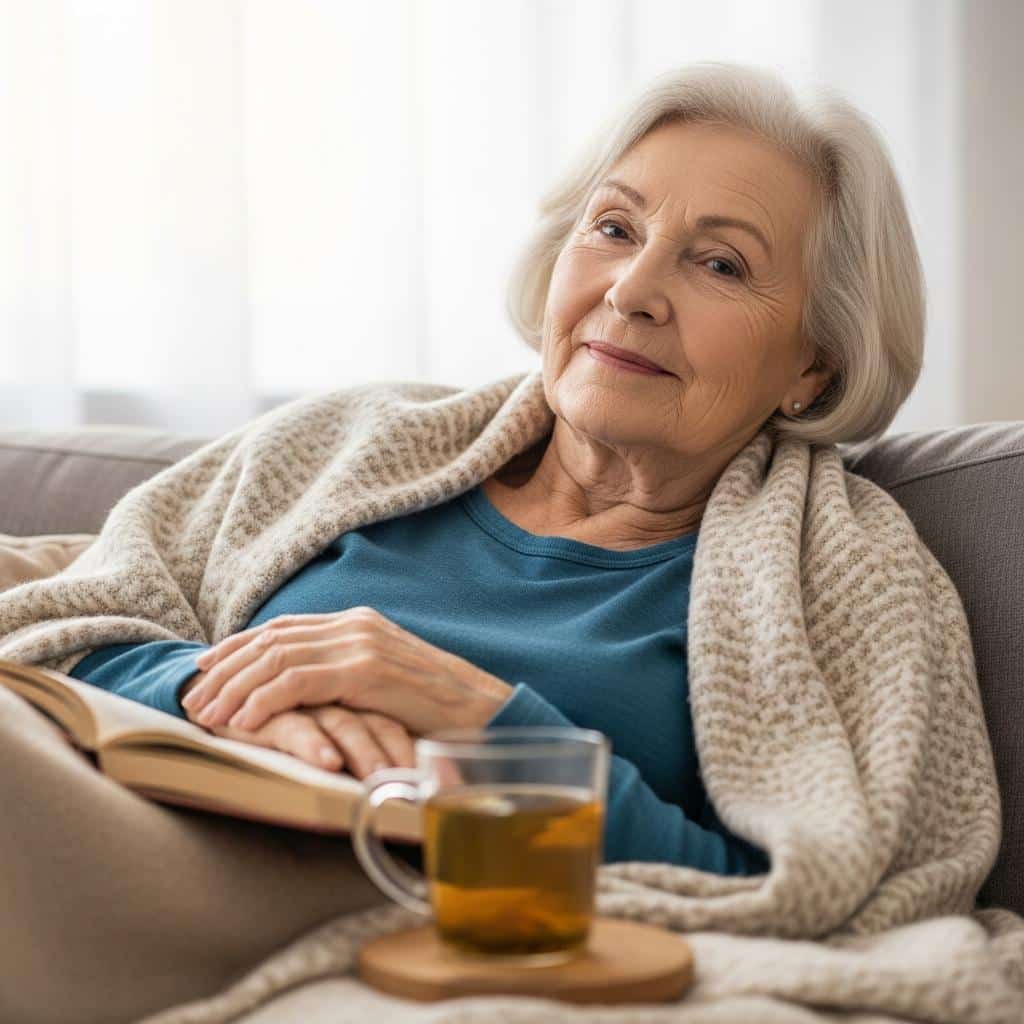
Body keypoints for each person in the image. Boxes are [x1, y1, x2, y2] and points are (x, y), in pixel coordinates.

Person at [0, 60, 926, 1024]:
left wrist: (476, 718)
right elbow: (66, 625)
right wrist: (224, 695)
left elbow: (804, 893)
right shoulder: (346, 443)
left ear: (815, 367)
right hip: (131, 813)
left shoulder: (843, 574)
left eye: (721, 264)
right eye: (613, 229)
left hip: (379, 914)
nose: (633, 289)